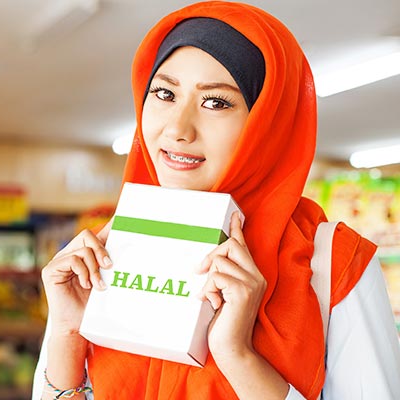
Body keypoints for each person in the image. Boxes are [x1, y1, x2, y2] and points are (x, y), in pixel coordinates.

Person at [33, 1, 400, 399]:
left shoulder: (331, 263)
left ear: (267, 122)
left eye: (216, 102)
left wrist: (237, 355)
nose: (177, 128)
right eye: (164, 93)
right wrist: (67, 331)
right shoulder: (108, 251)